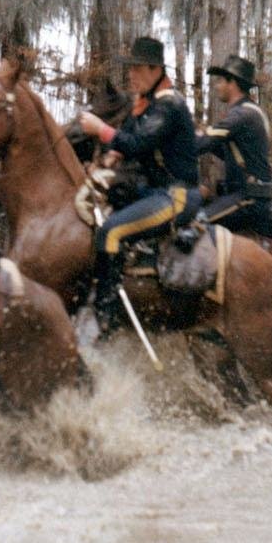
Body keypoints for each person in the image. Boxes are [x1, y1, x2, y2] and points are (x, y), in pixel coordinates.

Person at [77, 36, 201, 331]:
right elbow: (126, 143)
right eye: (129, 69)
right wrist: (108, 158)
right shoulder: (145, 105)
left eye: (136, 69)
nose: (130, 75)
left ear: (154, 69)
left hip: (176, 195)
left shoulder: (168, 105)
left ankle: (103, 319)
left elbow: (138, 142)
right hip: (154, 191)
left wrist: (100, 129)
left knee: (111, 231)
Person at [195, 54, 272, 239]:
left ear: (233, 83)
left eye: (221, 80)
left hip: (249, 199)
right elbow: (230, 154)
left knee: (194, 222)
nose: (217, 85)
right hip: (247, 196)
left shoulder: (242, 115)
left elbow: (201, 144)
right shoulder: (248, 112)